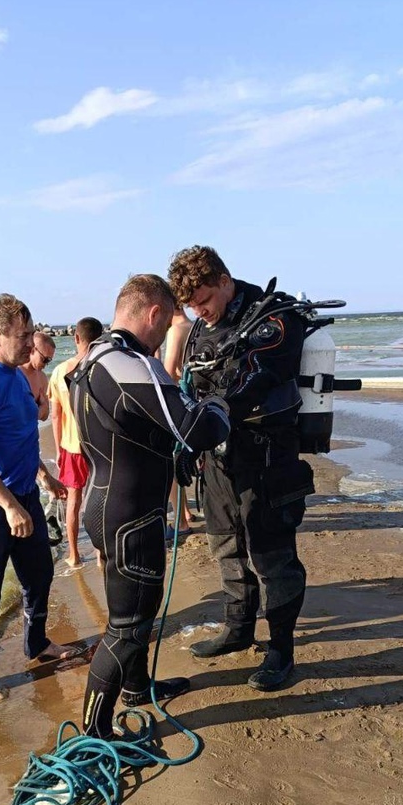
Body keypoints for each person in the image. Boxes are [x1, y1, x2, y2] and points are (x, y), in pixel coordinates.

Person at [71, 275, 231, 738]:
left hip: (107, 505)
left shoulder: (88, 362)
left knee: (133, 615)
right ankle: (94, 735)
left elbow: (132, 429)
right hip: (130, 515)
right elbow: (197, 428)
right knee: (128, 626)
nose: (164, 340)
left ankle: (137, 689)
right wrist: (221, 403)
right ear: (154, 314)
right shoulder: (129, 363)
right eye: (165, 328)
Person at [168, 245, 314, 691]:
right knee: (225, 546)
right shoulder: (199, 330)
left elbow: (254, 381)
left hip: (267, 460)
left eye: (205, 301)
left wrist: (205, 424)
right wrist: (186, 442)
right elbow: (191, 386)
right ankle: (238, 628)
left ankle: (281, 650)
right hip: (218, 461)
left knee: (272, 557)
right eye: (191, 307)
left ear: (225, 281)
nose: (200, 312)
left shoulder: (275, 317)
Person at [0, 295, 81, 706]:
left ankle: (37, 643)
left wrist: (45, 477)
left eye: (31, 334)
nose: (31, 343)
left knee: (39, 574)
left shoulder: (17, 377)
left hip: (24, 494)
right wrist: (8, 506)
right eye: (22, 336)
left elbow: (22, 437)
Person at [47, 316, 103, 568]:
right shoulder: (103, 365)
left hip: (72, 446)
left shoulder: (60, 371)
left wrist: (59, 448)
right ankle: (102, 552)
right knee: (101, 498)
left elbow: (56, 415)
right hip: (100, 445)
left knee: (74, 501)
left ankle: (74, 554)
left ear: (76, 338)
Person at [163, 301, 194, 535]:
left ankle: (181, 520)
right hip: (196, 401)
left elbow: (168, 373)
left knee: (173, 464)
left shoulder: (176, 330)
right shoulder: (195, 325)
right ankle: (186, 512)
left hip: (180, 402)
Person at [19, 331, 56, 421]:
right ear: (32, 350)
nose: (46, 364)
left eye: (49, 361)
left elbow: (45, 415)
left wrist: (43, 406)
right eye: (45, 359)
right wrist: (41, 407)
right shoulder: (14, 373)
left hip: (32, 434)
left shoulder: (42, 378)